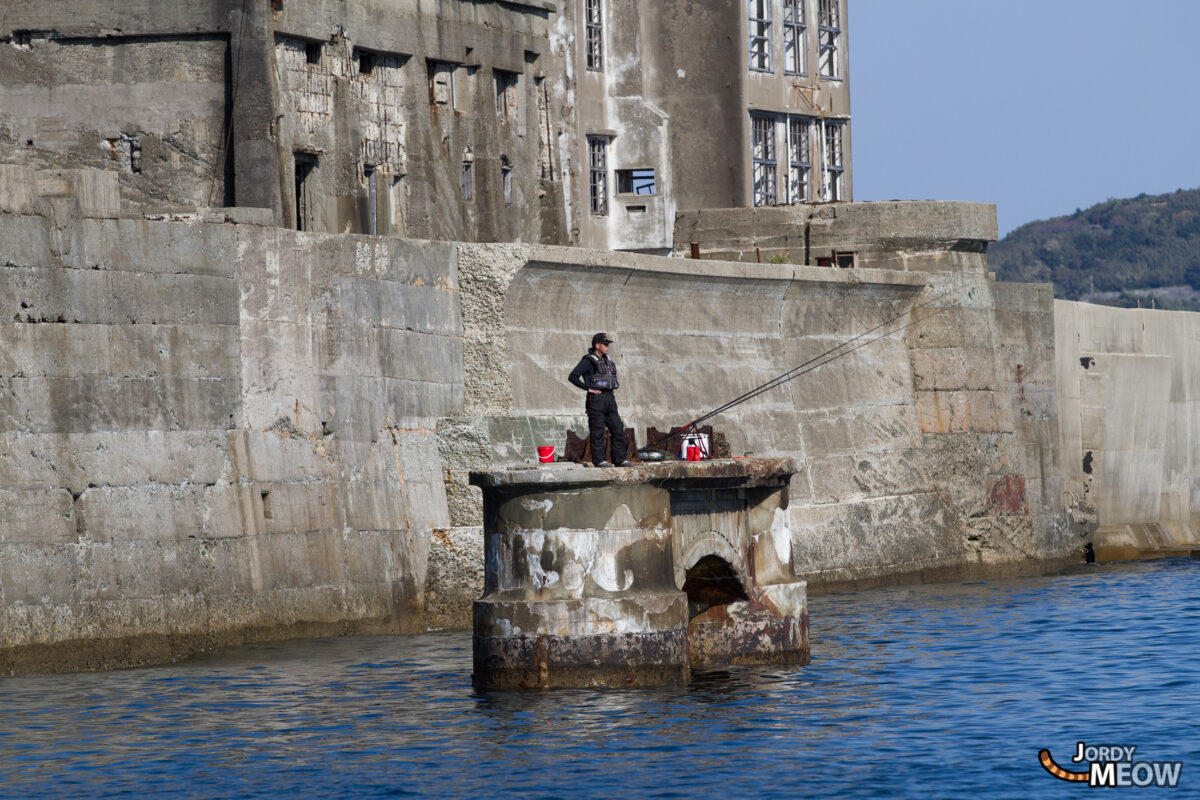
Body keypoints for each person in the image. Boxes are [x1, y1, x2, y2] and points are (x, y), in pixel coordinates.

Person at [568, 332, 632, 467]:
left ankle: (620, 459)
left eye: (608, 344)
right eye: (605, 344)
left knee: (618, 429)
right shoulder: (587, 361)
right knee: (597, 432)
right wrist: (588, 388)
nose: (608, 347)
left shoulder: (607, 360)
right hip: (596, 400)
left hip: (610, 399)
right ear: (597, 345)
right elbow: (572, 377)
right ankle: (600, 461)